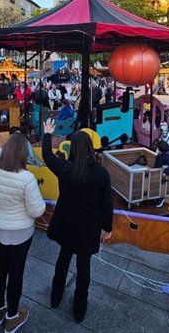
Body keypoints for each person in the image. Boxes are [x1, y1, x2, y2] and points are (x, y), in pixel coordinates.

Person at [41, 119, 112, 323]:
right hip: (88, 229)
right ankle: (80, 307)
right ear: (90, 149)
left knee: (63, 260)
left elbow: (47, 155)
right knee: (84, 267)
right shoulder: (101, 174)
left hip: (66, 225)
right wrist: (107, 227)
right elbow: (107, 205)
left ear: (72, 148)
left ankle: (56, 296)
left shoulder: (64, 169)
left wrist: (47, 134)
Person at [0, 133, 46, 332]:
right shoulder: (26, 178)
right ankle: (13, 316)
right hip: (20, 233)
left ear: (6, 150)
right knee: (16, 272)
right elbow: (36, 210)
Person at [154, 140, 169, 207]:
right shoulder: (160, 154)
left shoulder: (167, 156)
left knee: (161, 186)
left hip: (162, 176)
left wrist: (165, 172)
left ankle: (161, 198)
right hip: (157, 173)